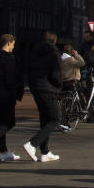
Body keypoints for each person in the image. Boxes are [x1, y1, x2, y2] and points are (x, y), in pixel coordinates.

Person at [23, 31, 63, 162]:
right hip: (48, 89)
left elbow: (28, 70)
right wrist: (58, 85)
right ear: (54, 41)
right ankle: (32, 144)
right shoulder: (54, 53)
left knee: (45, 119)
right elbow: (56, 73)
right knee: (55, 118)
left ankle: (45, 152)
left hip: (36, 88)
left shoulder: (34, 52)